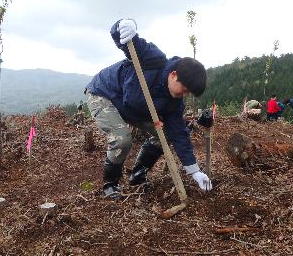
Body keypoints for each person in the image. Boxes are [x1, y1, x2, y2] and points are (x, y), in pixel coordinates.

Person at [85, 18, 212, 199]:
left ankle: (138, 173)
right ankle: (110, 184)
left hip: (133, 109)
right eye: (184, 89)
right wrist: (124, 25)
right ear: (174, 75)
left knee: (166, 134)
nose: (184, 94)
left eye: (188, 93)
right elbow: (129, 42)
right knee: (122, 139)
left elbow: (179, 135)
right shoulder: (153, 59)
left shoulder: (174, 103)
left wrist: (194, 171)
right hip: (105, 94)